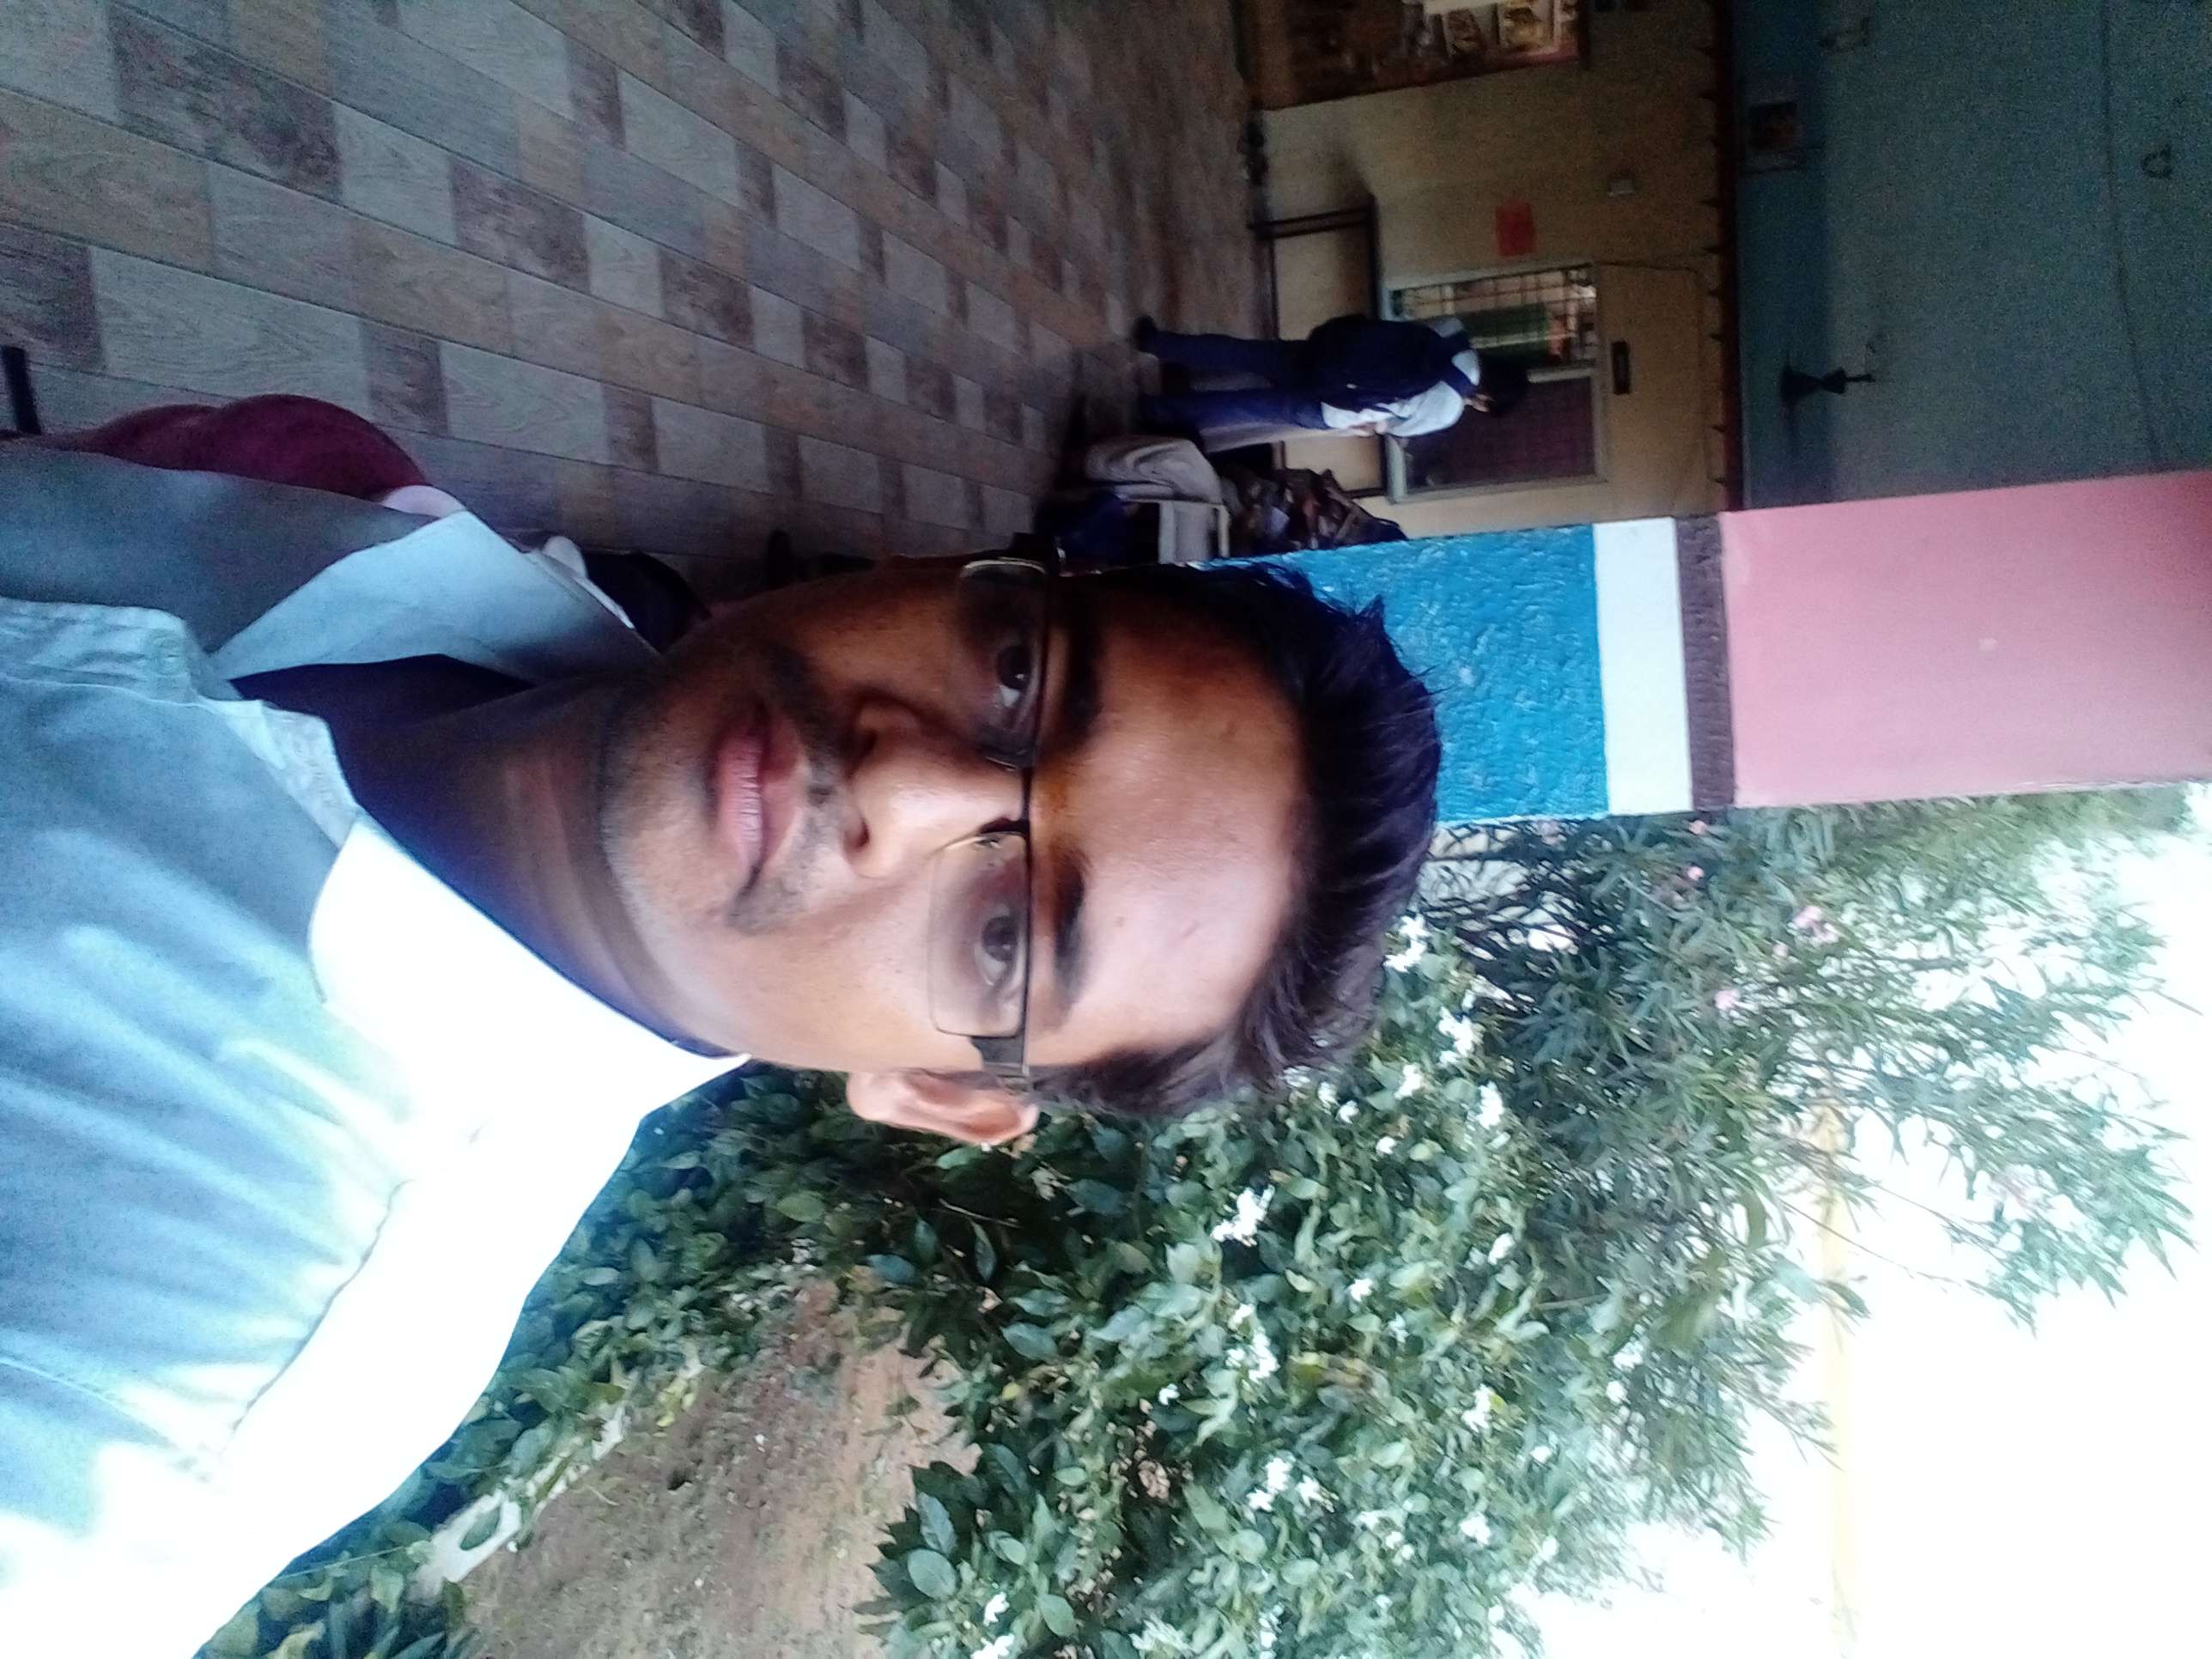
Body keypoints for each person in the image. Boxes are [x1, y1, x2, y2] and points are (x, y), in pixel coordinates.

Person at [0, 397, 1440, 1654]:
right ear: (954, 572)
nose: (902, 785)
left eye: (1007, 935)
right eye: (1020, 679)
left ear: (937, 1090)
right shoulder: (335, 491)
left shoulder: (172, 1367)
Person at [1135, 313, 1530, 451]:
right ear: (1487, 399)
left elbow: (1393, 332)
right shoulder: (1447, 411)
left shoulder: (1453, 330)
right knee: (1245, 406)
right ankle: (1156, 409)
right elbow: (1389, 426)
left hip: (1329, 352)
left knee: (1245, 353)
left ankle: (1158, 342)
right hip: (1332, 405)